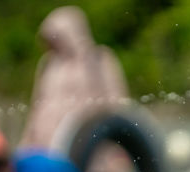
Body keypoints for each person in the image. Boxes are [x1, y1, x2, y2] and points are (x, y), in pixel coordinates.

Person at [19, 5, 129, 151]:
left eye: (57, 36)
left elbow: (118, 104)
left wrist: (119, 147)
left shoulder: (98, 59)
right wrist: (25, 146)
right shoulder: (47, 64)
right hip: (47, 149)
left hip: (88, 149)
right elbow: (37, 106)